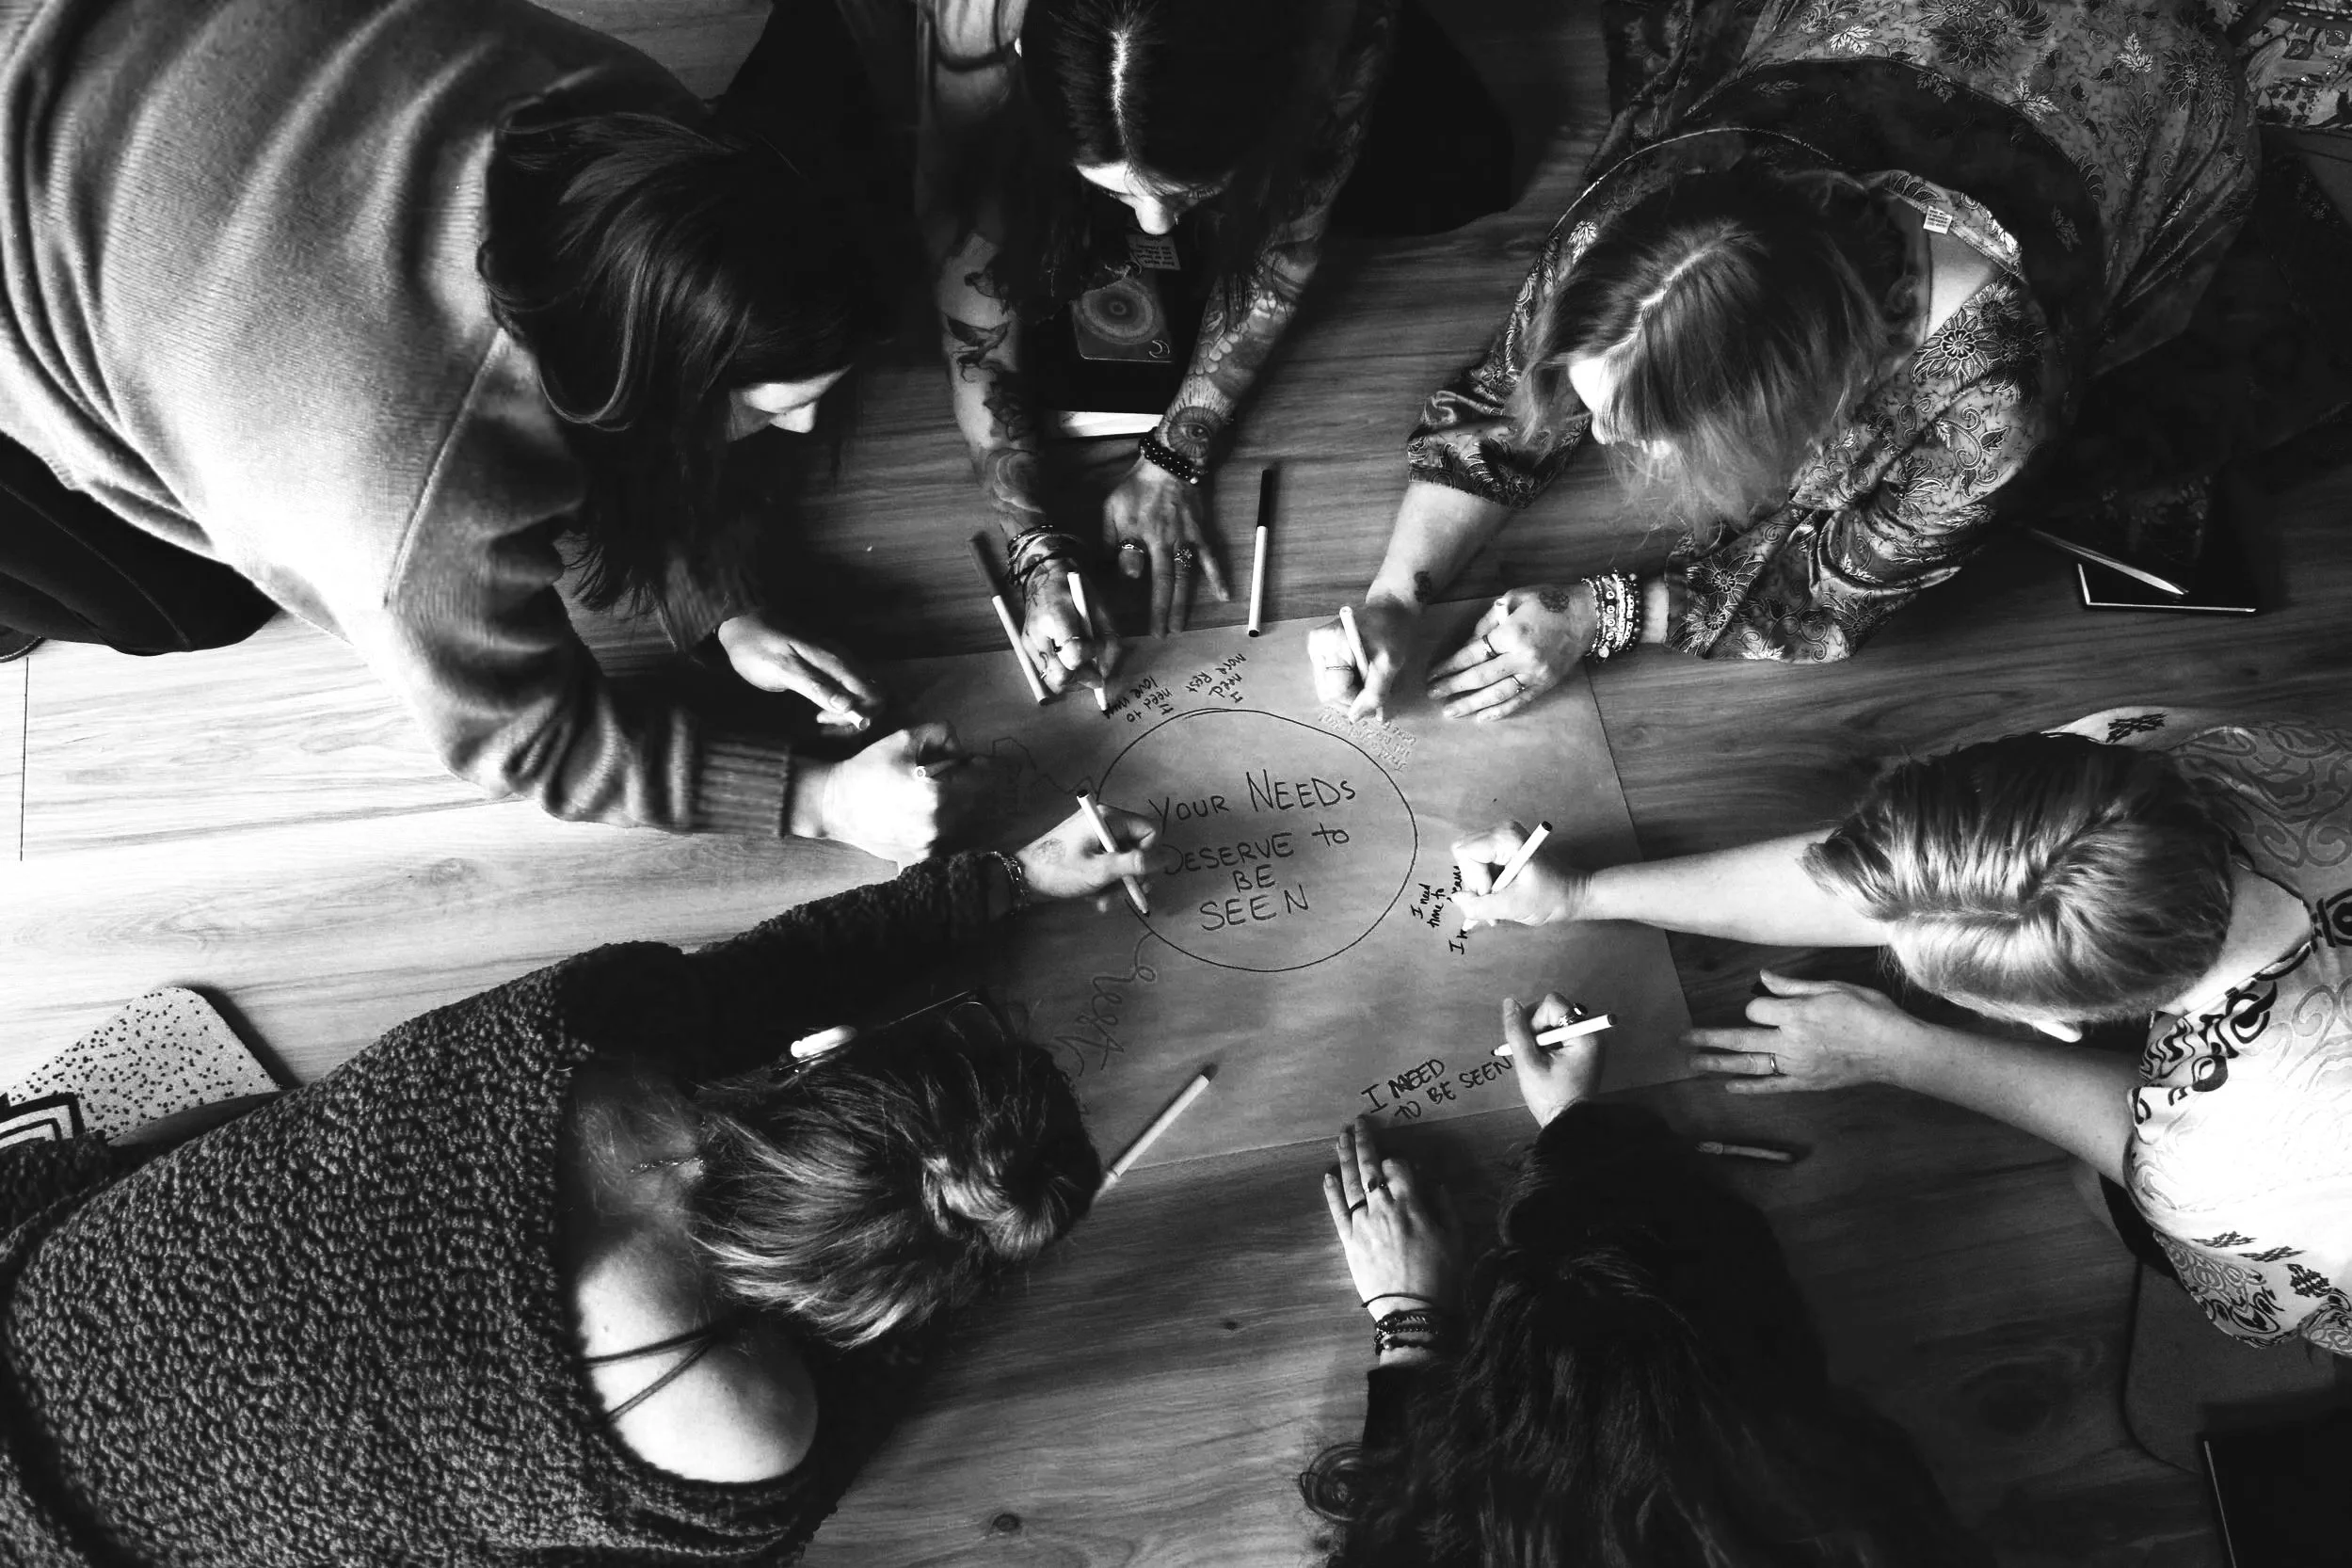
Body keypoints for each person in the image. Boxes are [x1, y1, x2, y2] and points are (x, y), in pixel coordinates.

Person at [0, 801, 1157, 1565]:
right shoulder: (737, 1419)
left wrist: (996, 879)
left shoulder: (587, 1031)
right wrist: (928, 1275)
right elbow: (856, 1404)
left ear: (824, 1054)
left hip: (31, 1288)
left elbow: (766, 974)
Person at [0, 0, 957, 861]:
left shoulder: (637, 120)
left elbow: (633, 395)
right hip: (26, 248)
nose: (809, 426)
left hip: (115, 57)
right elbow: (524, 741)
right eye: (771, 402)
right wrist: (819, 801)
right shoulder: (415, 515)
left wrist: (715, 601)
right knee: (186, 609)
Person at [1312, 0, 2260, 720]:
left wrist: (1601, 612)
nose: (1592, 437)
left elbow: (1834, 591)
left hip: (2150, 88)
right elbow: (1506, 409)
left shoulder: (1992, 402)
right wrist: (1398, 592)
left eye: (1638, 424)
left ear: (1782, 412)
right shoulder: (1648, 202)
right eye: (1597, 405)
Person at [1450, 707, 2352, 1356]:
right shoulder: (2198, 753)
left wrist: (1908, 1052)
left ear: (2053, 1023)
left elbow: (2151, 1154)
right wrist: (1585, 894)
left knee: (2097, 1191)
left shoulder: (2228, 1173)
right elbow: (1903, 881)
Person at [912, 0, 1513, 690]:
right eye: (1122, 192)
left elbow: (1279, 259)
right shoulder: (976, 32)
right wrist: (1039, 550)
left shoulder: (1327, 29)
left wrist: (1173, 457)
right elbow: (971, 309)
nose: (1155, 226)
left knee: (1464, 170)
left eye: (1186, 191)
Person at [1302, 997, 1978, 1566]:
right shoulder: (1866, 1518)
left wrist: (1408, 1324)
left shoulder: (1858, 1508)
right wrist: (1573, 1127)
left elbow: (1390, 1536)